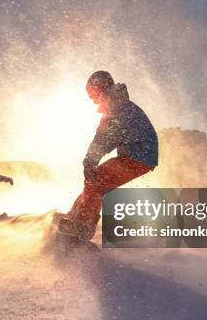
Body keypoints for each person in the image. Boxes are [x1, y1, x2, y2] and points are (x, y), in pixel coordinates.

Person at [56, 71, 159, 241]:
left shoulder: (115, 105)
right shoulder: (119, 103)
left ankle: (82, 226)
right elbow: (110, 136)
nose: (91, 98)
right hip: (140, 155)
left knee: (94, 181)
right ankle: (75, 216)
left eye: (92, 93)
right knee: (95, 185)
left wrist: (90, 160)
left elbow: (104, 137)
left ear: (101, 88)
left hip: (138, 155)